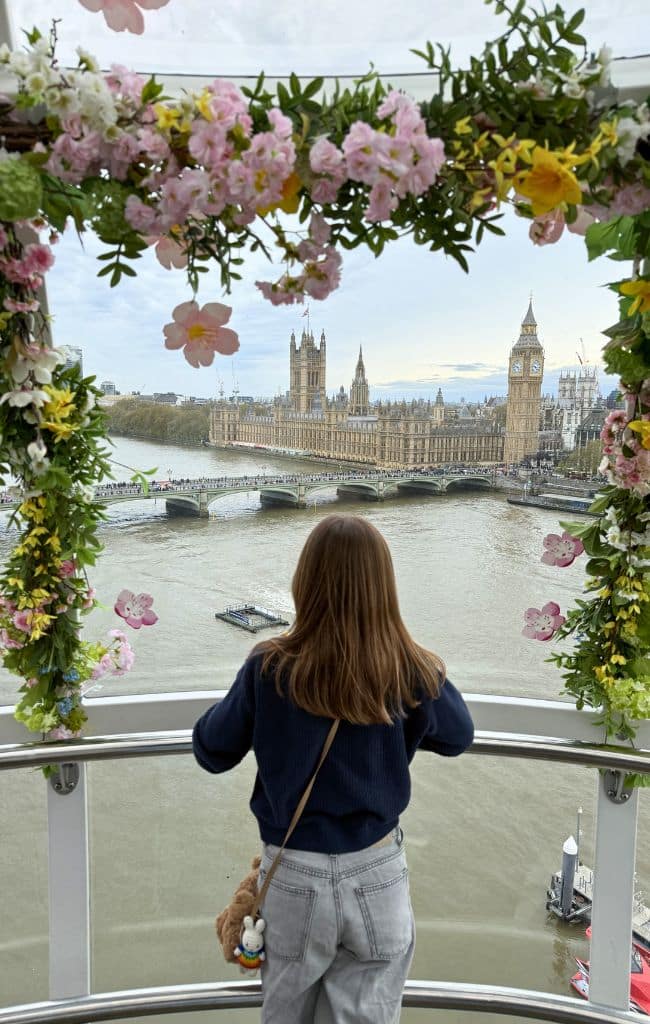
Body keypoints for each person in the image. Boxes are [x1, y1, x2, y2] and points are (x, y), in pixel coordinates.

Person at [193, 514, 474, 1024]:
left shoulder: (269, 666)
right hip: (377, 871)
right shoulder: (408, 667)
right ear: (384, 589)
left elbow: (212, 751)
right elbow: (458, 736)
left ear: (305, 582)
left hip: (293, 875)